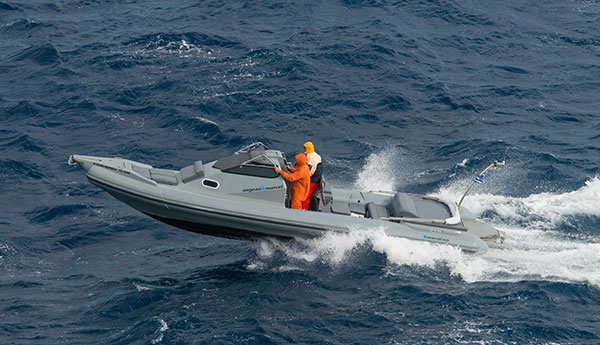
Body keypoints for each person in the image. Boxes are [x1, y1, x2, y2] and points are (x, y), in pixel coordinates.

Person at [302, 141, 323, 210]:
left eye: (304, 148)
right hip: (317, 178)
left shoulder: (310, 157)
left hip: (313, 180)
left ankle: (303, 209)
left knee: (305, 195)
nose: (303, 149)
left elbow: (310, 171)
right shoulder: (316, 155)